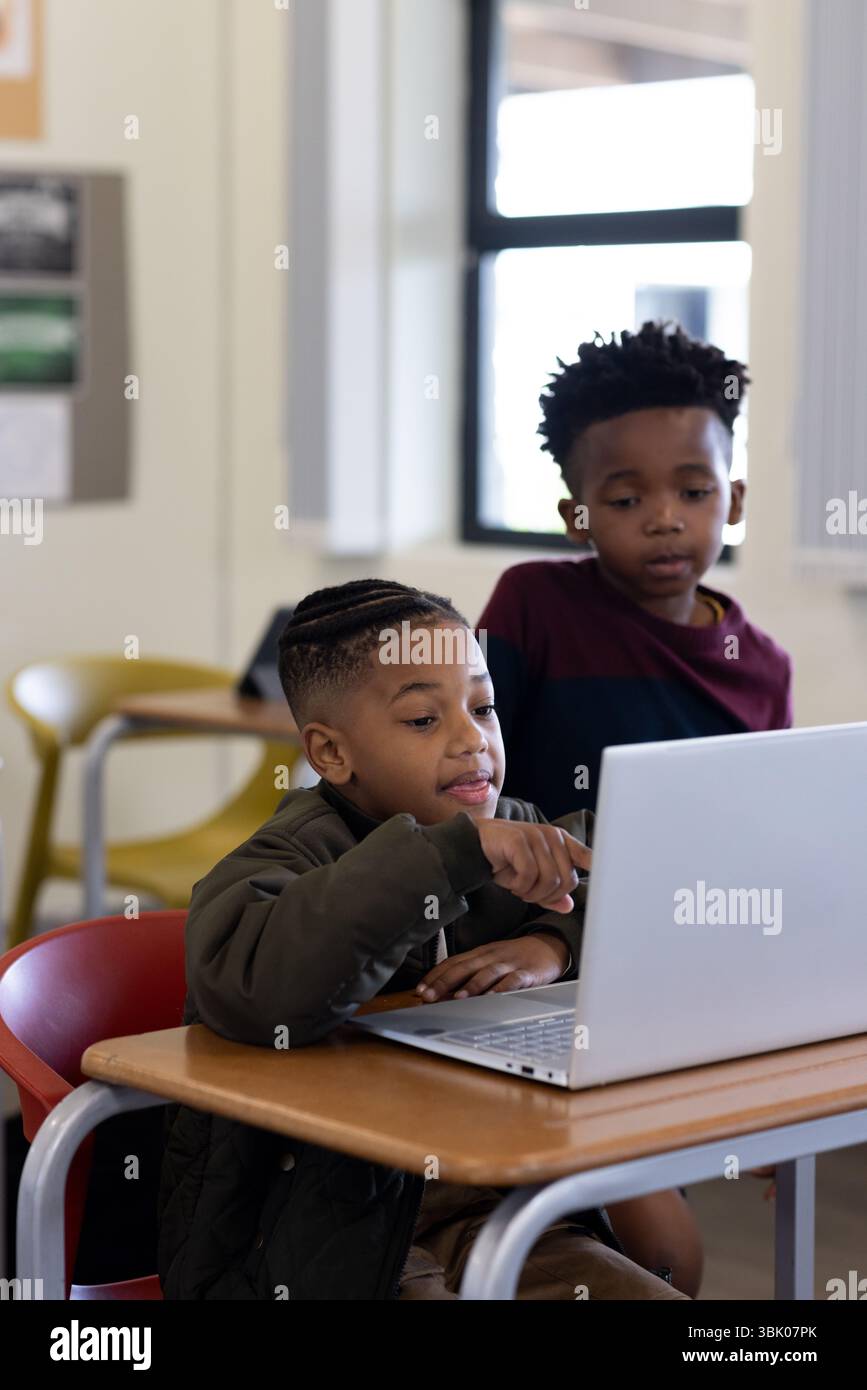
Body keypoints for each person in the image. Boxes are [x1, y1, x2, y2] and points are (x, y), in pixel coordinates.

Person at [157, 579, 696, 1300]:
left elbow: (627, 877)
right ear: (332, 753)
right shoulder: (285, 858)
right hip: (316, 1233)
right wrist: (449, 856)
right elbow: (262, 985)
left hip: (491, 1205)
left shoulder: (517, 827)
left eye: (482, 707)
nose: (471, 739)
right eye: (421, 719)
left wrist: (550, 944)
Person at [478, 321, 793, 821]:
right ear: (576, 518)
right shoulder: (533, 605)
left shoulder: (765, 668)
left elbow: (769, 815)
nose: (664, 521)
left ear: (734, 501)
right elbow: (468, 768)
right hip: (548, 896)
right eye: (626, 500)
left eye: (693, 493)